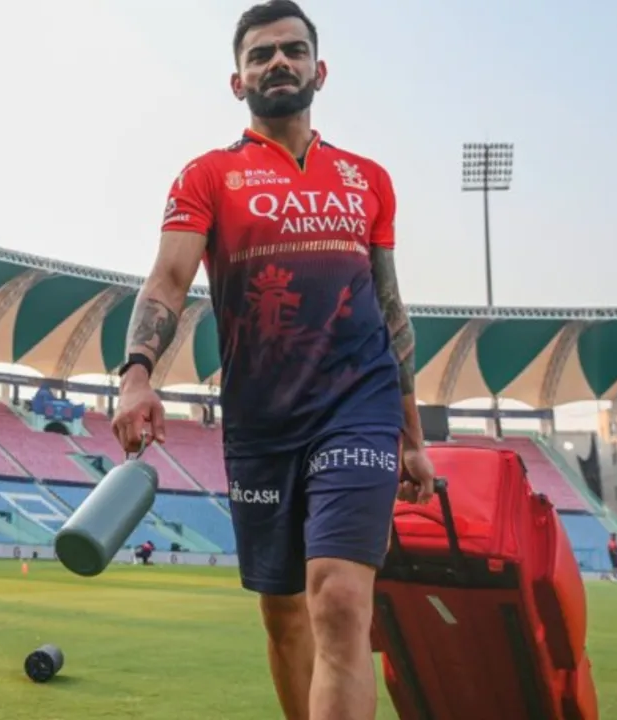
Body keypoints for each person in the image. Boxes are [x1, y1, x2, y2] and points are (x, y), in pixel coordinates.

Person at [110, 3, 433, 718]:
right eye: (260, 55)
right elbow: (168, 279)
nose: (278, 62)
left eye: (292, 50)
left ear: (321, 70)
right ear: (238, 82)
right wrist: (136, 374)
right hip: (261, 421)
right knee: (286, 618)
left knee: (340, 599)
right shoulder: (207, 175)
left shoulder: (368, 179)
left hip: (358, 407)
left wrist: (412, 436)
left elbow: (391, 309)